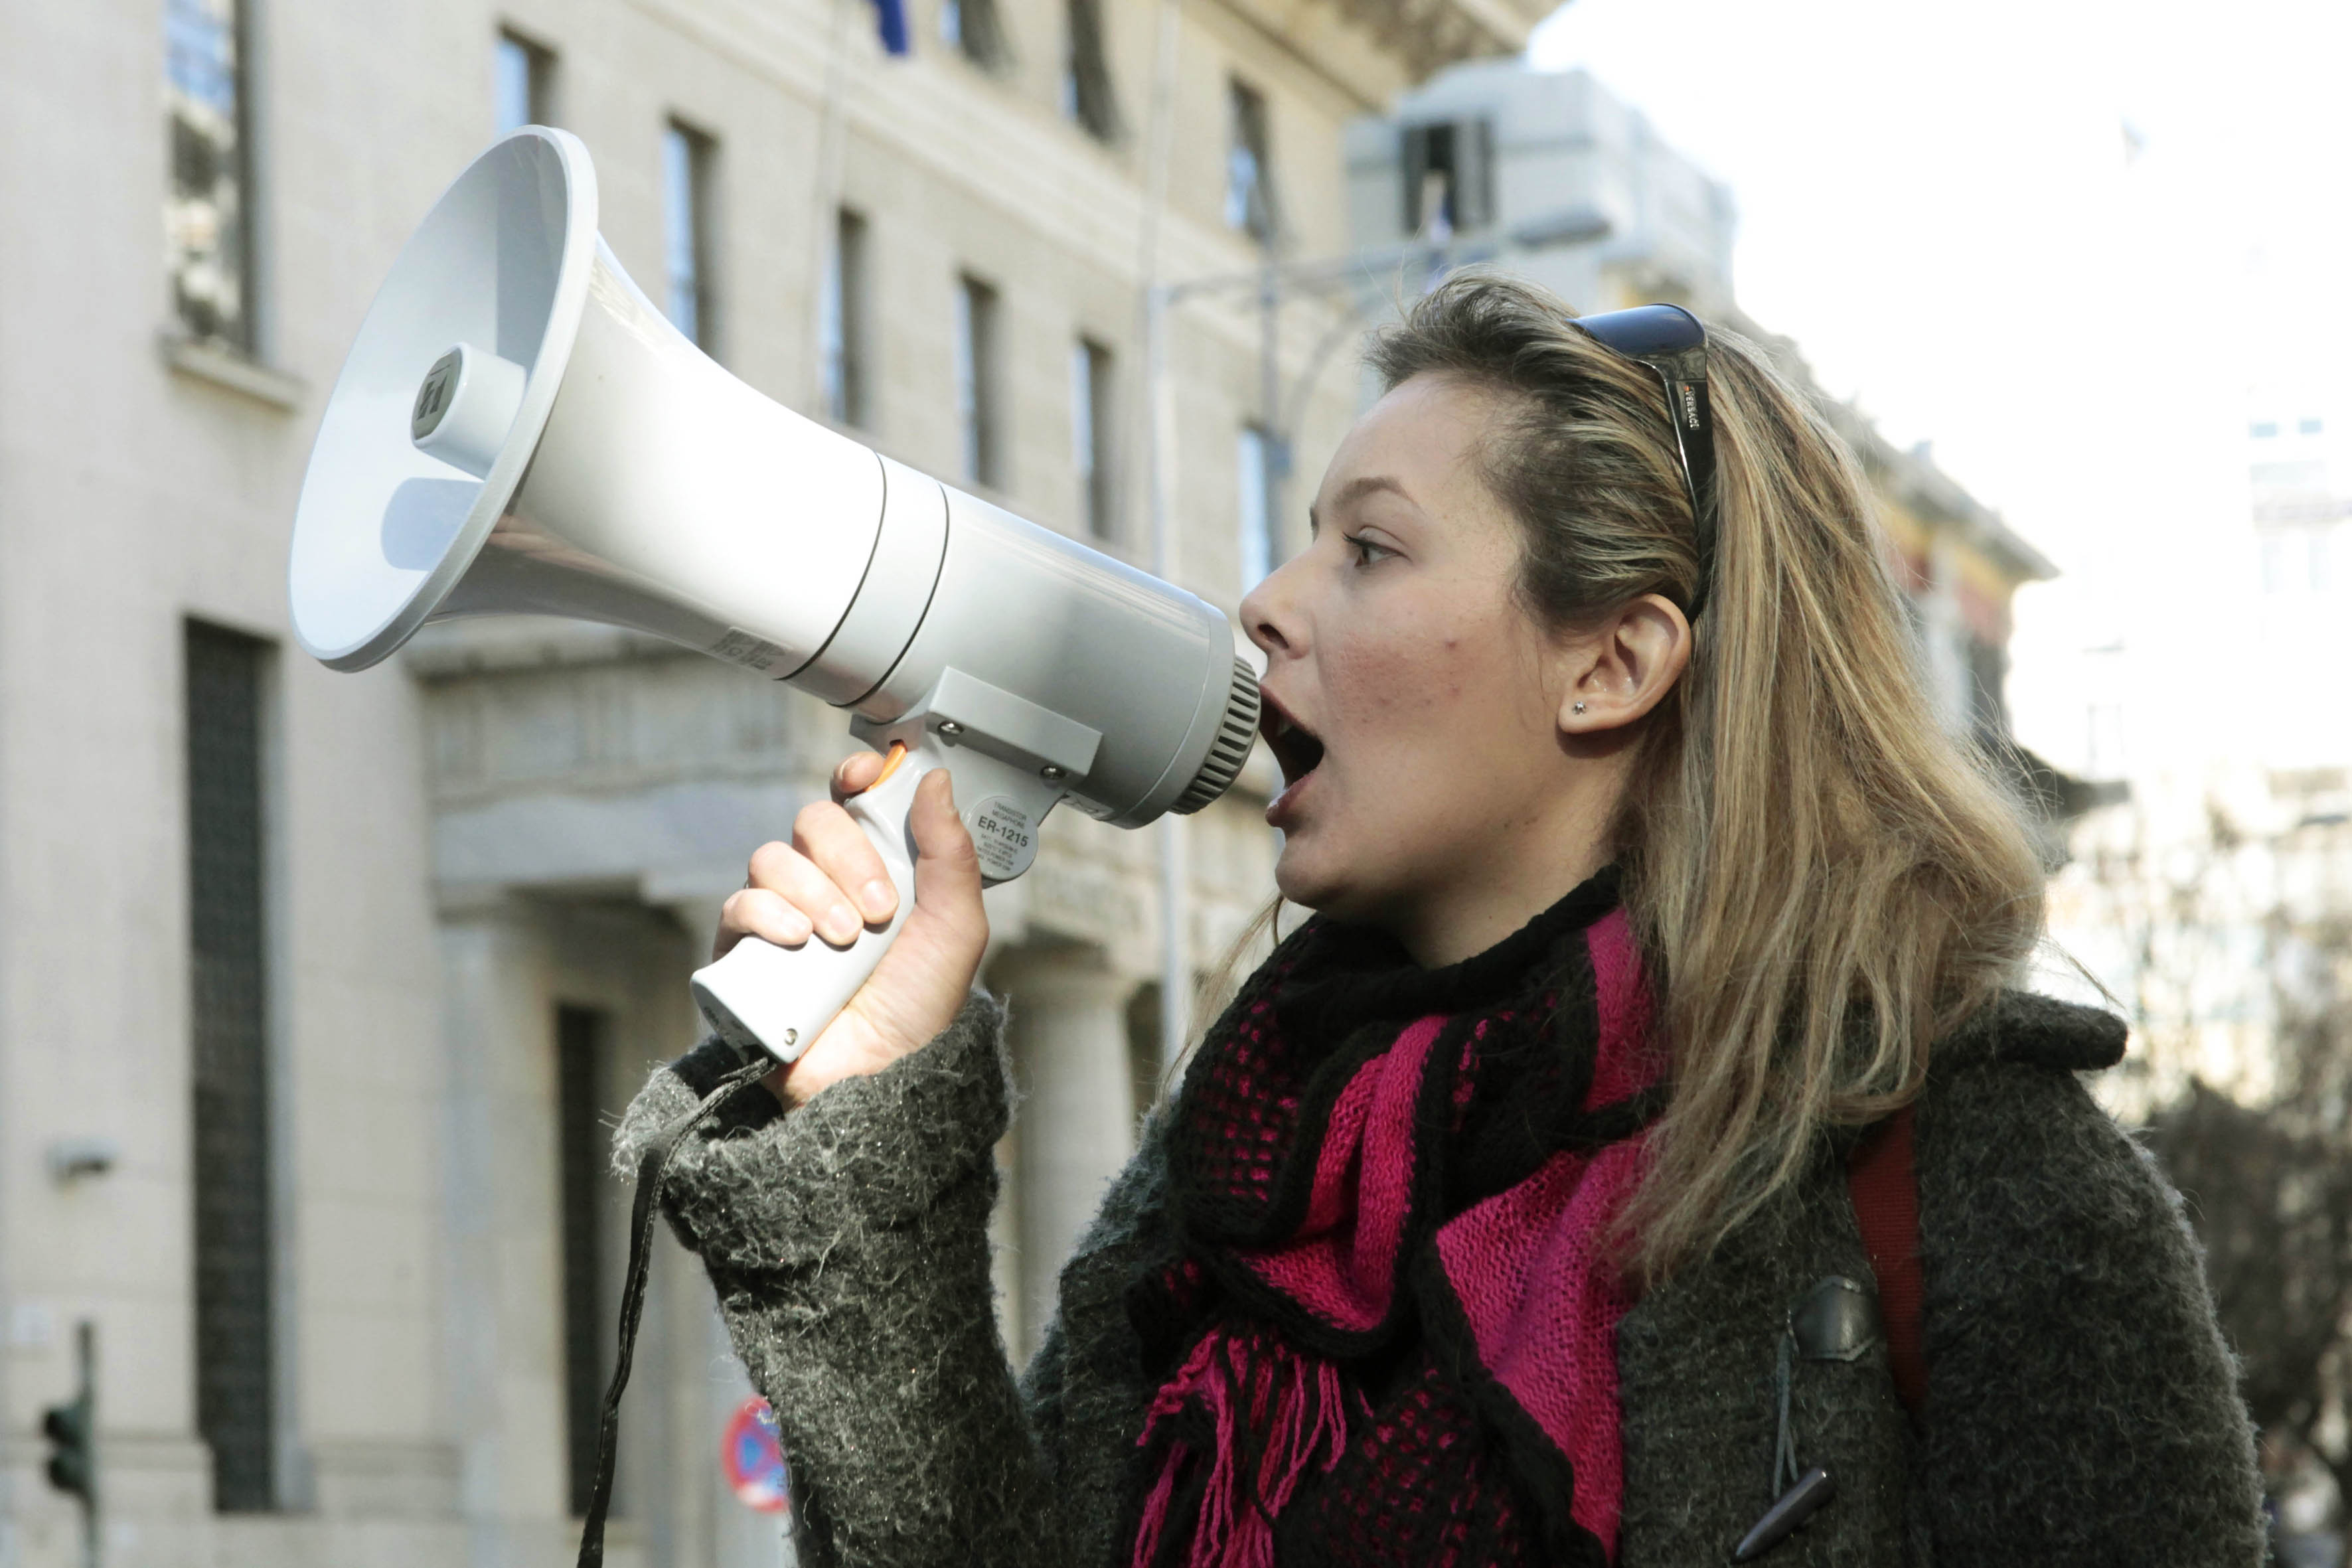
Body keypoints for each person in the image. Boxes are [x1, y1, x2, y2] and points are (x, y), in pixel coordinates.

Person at [617, 274, 2262, 1567]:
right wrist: (868, 1169)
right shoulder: (1243, 1172)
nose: (1265, 604)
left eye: (1370, 548)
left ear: (1610, 660)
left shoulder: (1974, 1179)